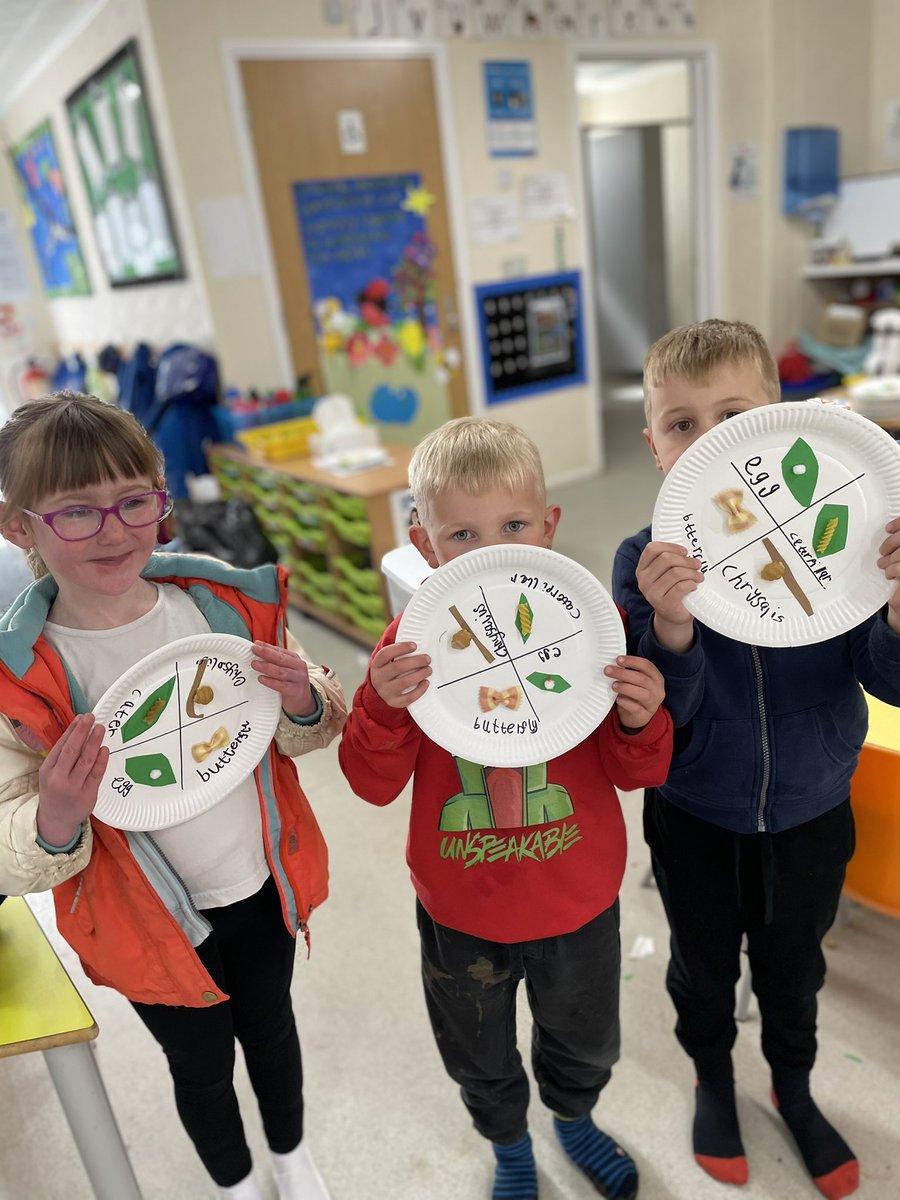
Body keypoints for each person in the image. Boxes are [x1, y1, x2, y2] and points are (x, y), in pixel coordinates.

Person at [0, 392, 347, 1200]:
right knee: (198, 1063)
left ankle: (292, 1158)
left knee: (272, 1027)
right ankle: (234, 1184)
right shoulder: (20, 677)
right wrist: (54, 817)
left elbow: (307, 717)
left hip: (259, 884)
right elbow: (12, 843)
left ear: (160, 498)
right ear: (20, 527)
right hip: (141, 920)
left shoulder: (218, 604)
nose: (115, 529)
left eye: (133, 501)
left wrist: (305, 698)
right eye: (77, 513)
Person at [339, 416, 673, 1200]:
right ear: (424, 544)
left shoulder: (594, 630)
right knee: (478, 1053)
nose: (490, 550)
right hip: (462, 914)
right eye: (462, 534)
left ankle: (575, 1119)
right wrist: (382, 709)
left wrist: (638, 716)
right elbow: (369, 782)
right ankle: (509, 1146)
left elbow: (639, 771)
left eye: (513, 525)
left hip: (580, 903)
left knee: (585, 1042)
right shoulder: (408, 650)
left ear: (547, 528)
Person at [612, 320, 900, 1200]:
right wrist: (671, 628)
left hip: (813, 811)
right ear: (655, 444)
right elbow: (662, 724)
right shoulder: (644, 563)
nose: (707, 440)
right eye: (682, 423)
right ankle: (711, 1078)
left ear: (777, 419)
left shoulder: (844, 541)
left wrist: (895, 607)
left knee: (795, 965)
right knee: (701, 968)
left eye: (732, 413)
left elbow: (889, 684)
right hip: (696, 813)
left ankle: (796, 1084)